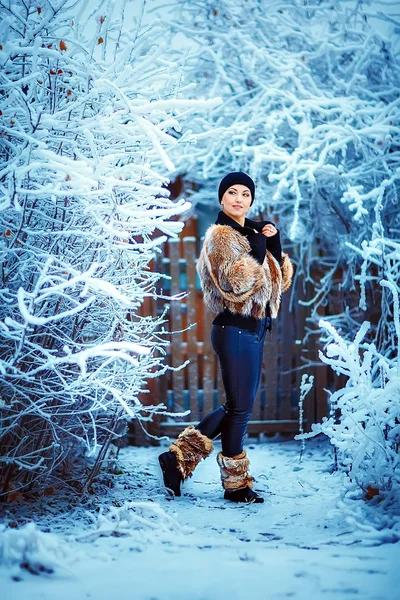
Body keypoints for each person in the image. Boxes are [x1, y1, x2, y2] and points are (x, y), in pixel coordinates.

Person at [159, 172, 293, 503]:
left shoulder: (249, 234)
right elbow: (234, 284)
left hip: (252, 330)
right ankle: (231, 484)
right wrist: (258, 252)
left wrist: (273, 247)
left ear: (251, 200)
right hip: (234, 329)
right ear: (221, 199)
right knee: (240, 408)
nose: (238, 198)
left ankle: (179, 461)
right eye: (231, 192)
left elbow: (277, 287)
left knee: (237, 407)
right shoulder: (222, 237)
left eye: (245, 193)